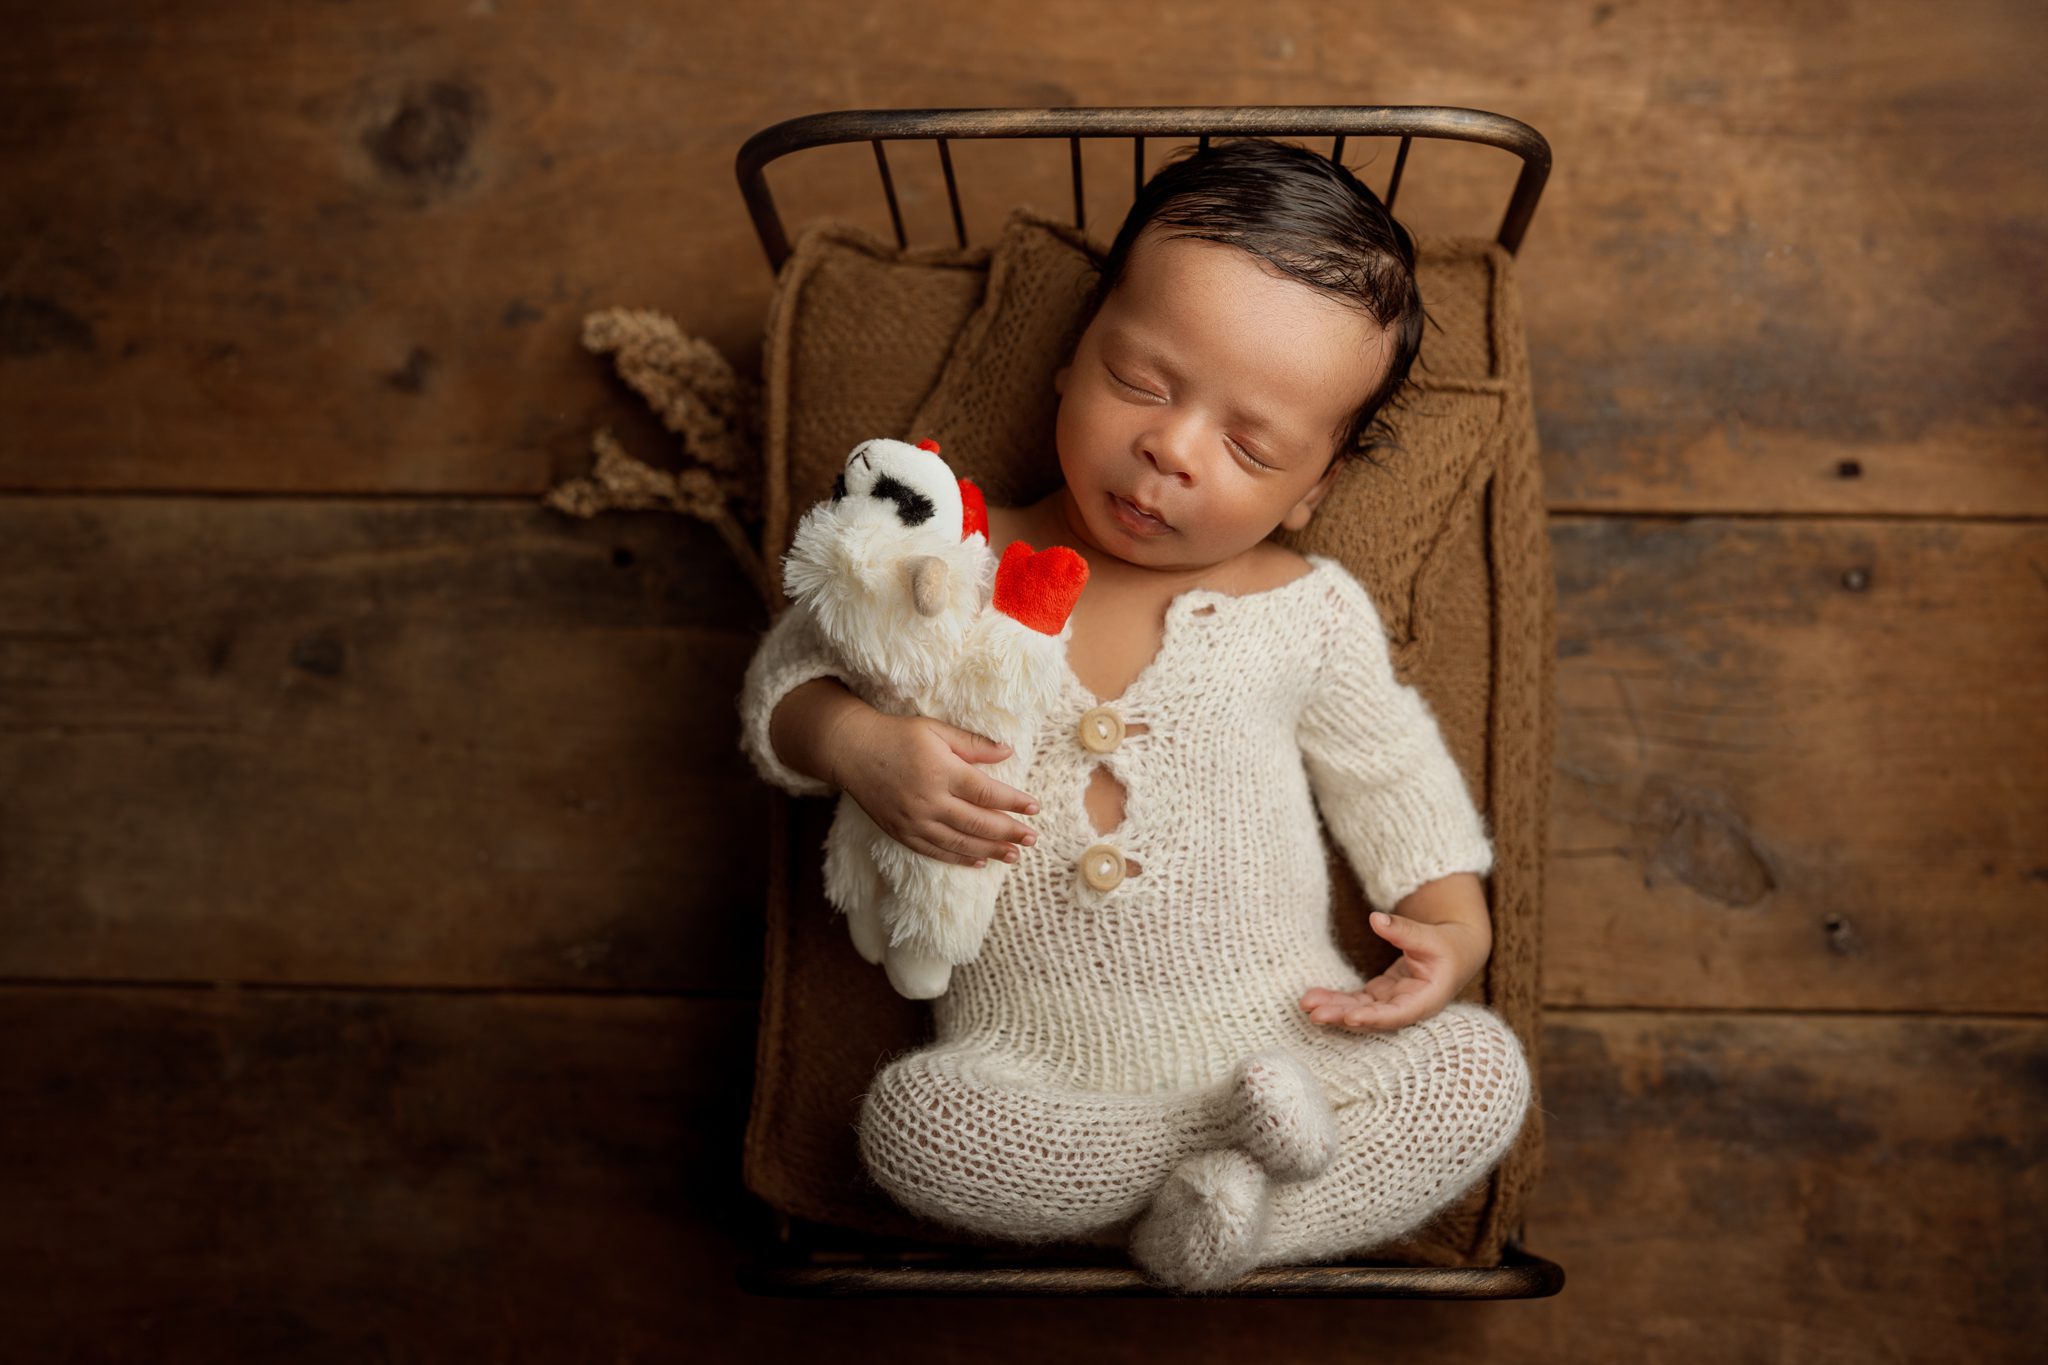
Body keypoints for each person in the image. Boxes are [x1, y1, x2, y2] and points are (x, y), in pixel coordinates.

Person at [736, 138, 1533, 1292]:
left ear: (1311, 485)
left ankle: (1235, 1221)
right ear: (1069, 361)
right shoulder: (942, 559)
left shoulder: (1303, 610)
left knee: (1477, 1074)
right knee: (917, 1126)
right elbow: (783, 690)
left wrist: (1455, 927)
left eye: (1249, 445)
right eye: (1141, 384)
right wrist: (858, 746)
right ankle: (1206, 1177)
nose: (1170, 446)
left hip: (1285, 1035)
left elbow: (1390, 772)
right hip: (1033, 1059)